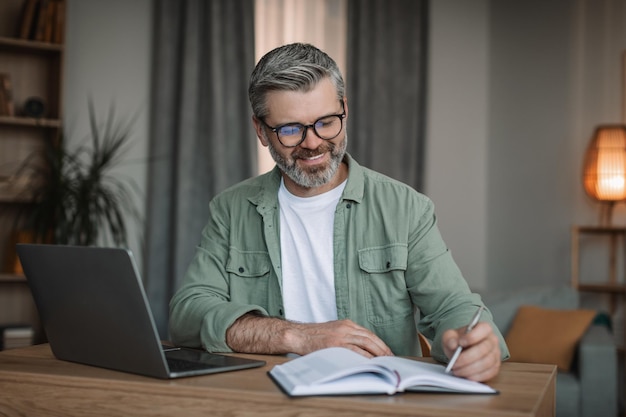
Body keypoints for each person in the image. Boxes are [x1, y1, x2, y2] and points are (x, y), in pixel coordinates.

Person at [169, 42, 509, 382]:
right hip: (264, 397)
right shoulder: (230, 209)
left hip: (376, 401)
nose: (313, 142)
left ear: (344, 108)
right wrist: (297, 336)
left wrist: (475, 343)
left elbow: (453, 305)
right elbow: (187, 315)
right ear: (261, 130)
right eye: (290, 129)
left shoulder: (406, 208)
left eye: (326, 122)